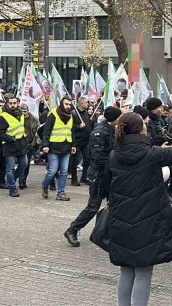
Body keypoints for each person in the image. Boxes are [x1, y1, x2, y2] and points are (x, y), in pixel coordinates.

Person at [101, 112, 172, 306]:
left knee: (125, 270)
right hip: (148, 220)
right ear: (140, 129)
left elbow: (105, 187)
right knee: (143, 271)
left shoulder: (114, 154)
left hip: (121, 219)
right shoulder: (152, 154)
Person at [64, 106, 121, 247]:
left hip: (108, 174)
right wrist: (114, 163)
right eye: (119, 117)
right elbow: (97, 156)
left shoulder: (110, 129)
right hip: (99, 175)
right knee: (93, 206)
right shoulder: (100, 132)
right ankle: (72, 229)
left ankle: (107, 233)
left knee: (114, 204)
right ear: (114, 118)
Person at [41, 96, 77, 201]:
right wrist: (45, 145)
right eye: (66, 104)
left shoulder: (71, 115)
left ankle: (61, 193)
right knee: (52, 171)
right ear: (61, 104)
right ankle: (44, 185)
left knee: (64, 171)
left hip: (66, 147)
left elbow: (71, 131)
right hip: (54, 147)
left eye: (70, 104)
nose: (68, 106)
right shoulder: (53, 114)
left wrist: (73, 145)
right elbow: (46, 131)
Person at [0, 95, 28, 197]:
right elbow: (0, 133)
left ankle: (12, 179)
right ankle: (12, 188)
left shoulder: (21, 114)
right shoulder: (3, 116)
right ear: (7, 104)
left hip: (21, 144)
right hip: (9, 145)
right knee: (10, 168)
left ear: (17, 103)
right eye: (11, 103)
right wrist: (11, 139)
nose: (13, 105)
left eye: (14, 103)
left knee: (24, 164)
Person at [72, 97, 92, 186]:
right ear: (81, 104)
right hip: (77, 141)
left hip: (86, 141)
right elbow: (71, 127)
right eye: (86, 102)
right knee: (75, 160)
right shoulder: (74, 113)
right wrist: (78, 126)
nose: (88, 104)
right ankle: (74, 178)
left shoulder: (85, 113)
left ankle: (84, 177)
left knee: (87, 159)